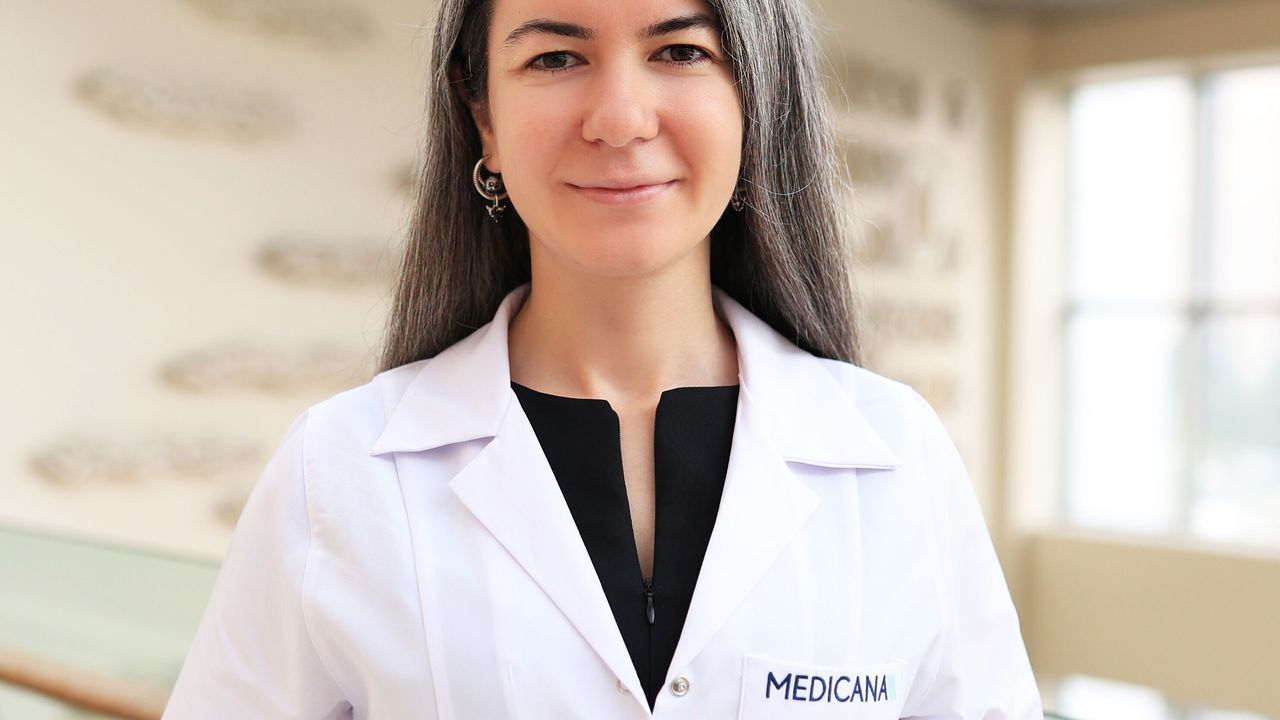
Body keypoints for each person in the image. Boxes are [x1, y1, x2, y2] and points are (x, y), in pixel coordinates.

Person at [163, 0, 1045, 716]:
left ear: (757, 94)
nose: (620, 119)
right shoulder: (336, 474)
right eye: (555, 57)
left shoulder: (897, 459)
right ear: (483, 117)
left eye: (681, 52)